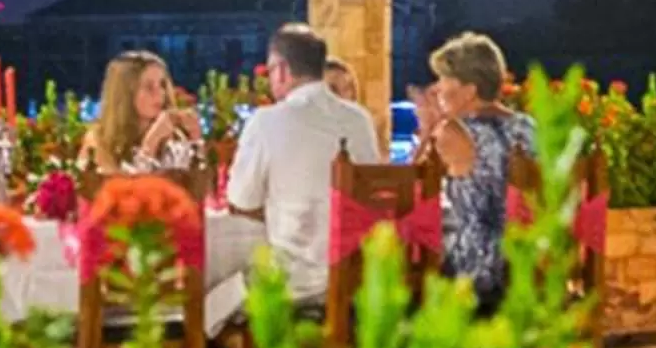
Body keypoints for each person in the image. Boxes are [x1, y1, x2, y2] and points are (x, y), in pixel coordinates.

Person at [222, 23, 383, 309]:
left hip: (292, 283)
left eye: (271, 71)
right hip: (357, 281)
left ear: (282, 70)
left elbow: (241, 200)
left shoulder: (267, 121)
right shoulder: (360, 119)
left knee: (212, 299)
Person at [410, 31, 534, 313]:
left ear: (469, 91)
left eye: (444, 79)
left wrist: (428, 129)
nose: (437, 89)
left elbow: (410, 187)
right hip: (530, 265)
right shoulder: (529, 127)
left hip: (475, 274)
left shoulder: (453, 131)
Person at [86, 50, 203, 176]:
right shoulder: (99, 139)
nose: (160, 93)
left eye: (162, 85)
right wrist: (151, 143)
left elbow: (196, 183)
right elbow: (126, 187)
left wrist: (195, 140)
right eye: (149, 87)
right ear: (125, 94)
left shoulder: (175, 135)